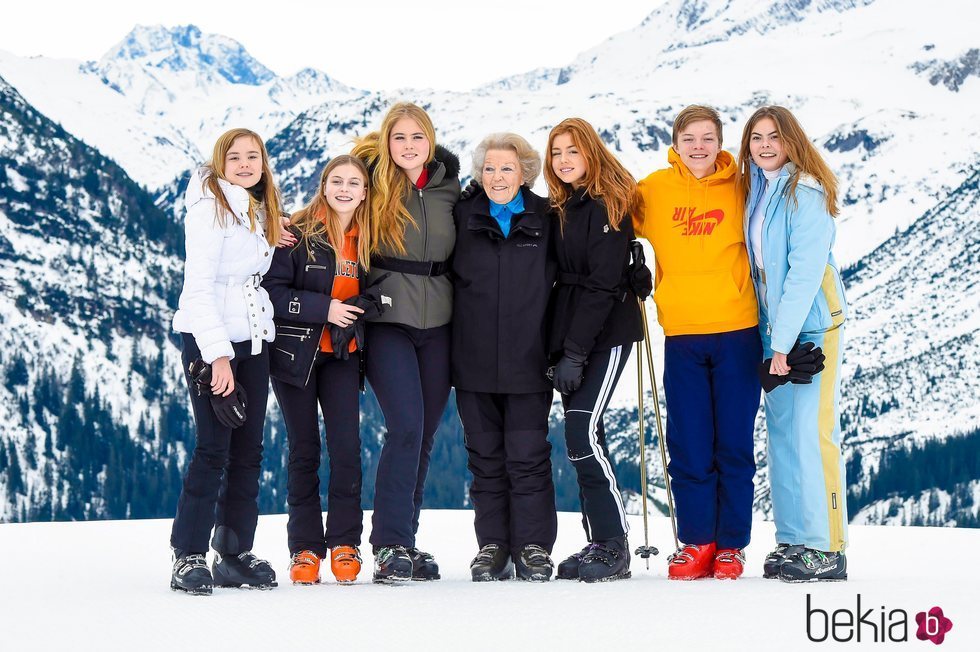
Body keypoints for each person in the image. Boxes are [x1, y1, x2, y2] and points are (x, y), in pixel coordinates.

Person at [634, 105, 761, 580]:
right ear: (676, 142)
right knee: (689, 444)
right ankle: (697, 542)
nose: (699, 147)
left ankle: (730, 546)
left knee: (732, 442)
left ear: (721, 142)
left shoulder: (745, 186)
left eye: (708, 138)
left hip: (738, 332)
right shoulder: (654, 190)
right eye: (689, 138)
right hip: (682, 333)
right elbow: (613, 222)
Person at [169, 128, 288, 595]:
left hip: (253, 339)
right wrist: (218, 357)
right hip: (210, 339)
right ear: (220, 163)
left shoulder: (256, 207)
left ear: (262, 163)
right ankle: (189, 555)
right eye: (234, 157)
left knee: (249, 451)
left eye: (252, 156)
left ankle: (234, 554)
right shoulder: (210, 209)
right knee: (214, 448)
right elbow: (198, 290)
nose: (244, 164)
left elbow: (249, 269)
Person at [263, 155, 388, 585]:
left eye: (354, 183)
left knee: (347, 448)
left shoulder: (369, 236)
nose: (345, 189)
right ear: (323, 184)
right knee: (304, 450)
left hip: (342, 353)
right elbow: (273, 293)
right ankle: (304, 549)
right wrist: (326, 308)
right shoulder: (296, 232)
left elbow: (377, 289)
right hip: (296, 355)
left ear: (365, 191)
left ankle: (345, 543)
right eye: (337, 181)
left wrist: (362, 307)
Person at [737, 106, 849, 582]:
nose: (764, 145)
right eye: (756, 137)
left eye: (774, 137)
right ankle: (795, 539)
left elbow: (803, 274)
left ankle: (827, 549)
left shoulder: (806, 190)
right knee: (782, 436)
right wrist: (769, 338)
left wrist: (781, 345)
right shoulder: (760, 190)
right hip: (774, 328)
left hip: (810, 328)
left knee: (812, 433)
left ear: (791, 140)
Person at [350, 102, 460, 583]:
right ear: (386, 142)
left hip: (439, 323)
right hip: (387, 321)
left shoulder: (450, 188)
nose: (409, 146)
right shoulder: (371, 185)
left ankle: (406, 545)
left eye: (418, 137)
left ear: (430, 140)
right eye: (400, 138)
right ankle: (389, 543)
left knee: (426, 432)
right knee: (406, 426)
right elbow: (329, 211)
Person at [452, 133, 558, 582]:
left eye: (507, 168)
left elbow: (575, 275)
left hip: (530, 361)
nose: (497, 177)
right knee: (485, 459)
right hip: (472, 360)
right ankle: (493, 546)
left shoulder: (547, 218)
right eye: (490, 168)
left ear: (525, 172)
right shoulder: (461, 216)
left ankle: (533, 547)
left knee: (529, 456)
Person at [545, 118, 643, 583]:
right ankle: (598, 538)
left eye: (573, 151)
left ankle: (614, 544)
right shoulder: (565, 205)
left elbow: (604, 285)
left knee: (582, 436)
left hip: (604, 333)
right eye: (557, 152)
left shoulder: (609, 203)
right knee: (587, 439)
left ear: (591, 153)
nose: (564, 160)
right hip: (571, 335)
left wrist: (577, 353)